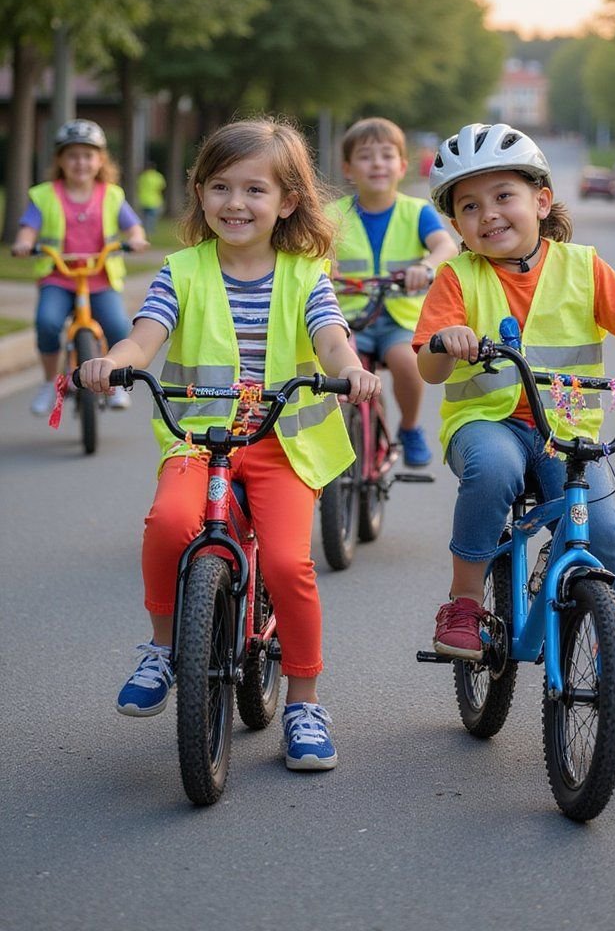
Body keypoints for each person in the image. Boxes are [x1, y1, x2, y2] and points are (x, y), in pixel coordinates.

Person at [78, 117, 380, 771]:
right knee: (170, 523)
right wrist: (113, 360)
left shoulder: (305, 275)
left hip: (281, 448)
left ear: (288, 202)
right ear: (200, 193)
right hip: (198, 440)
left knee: (287, 565)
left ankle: (303, 701)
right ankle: (163, 648)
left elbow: (331, 337)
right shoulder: (181, 270)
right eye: (220, 187)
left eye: (254, 190)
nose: (235, 204)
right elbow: (145, 336)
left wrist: (351, 368)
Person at [414, 123, 615, 722]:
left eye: (503, 196)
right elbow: (429, 370)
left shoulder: (583, 267)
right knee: (495, 467)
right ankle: (464, 601)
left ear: (542, 200)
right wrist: (445, 343)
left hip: (569, 435)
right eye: (469, 206)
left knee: (606, 533)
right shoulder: (458, 277)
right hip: (488, 424)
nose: (488, 214)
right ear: (455, 223)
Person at [327, 116, 458, 468]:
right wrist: (323, 266)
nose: (377, 164)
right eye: (366, 156)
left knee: (406, 362)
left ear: (402, 166)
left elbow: (447, 247)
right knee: (332, 373)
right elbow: (309, 250)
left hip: (399, 320)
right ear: (348, 168)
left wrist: (426, 267)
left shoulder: (416, 212)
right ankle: (329, 444)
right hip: (347, 320)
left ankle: (411, 427)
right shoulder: (331, 216)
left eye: (386, 156)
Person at [11, 118, 149, 416]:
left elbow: (133, 226)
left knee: (118, 326)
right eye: (72, 155)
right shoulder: (44, 195)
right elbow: (28, 228)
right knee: (47, 322)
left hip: (100, 277)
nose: (81, 163)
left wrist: (137, 239)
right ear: (60, 160)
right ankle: (50, 382)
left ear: (100, 160)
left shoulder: (112, 195)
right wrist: (24, 242)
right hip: (58, 276)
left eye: (88, 155)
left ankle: (113, 384)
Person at [136, 161, 166, 237]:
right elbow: (162, 187)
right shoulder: (157, 176)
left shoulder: (143, 176)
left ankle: (145, 230)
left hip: (143, 200)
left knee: (144, 217)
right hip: (154, 200)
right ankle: (150, 231)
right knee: (152, 218)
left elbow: (138, 187)